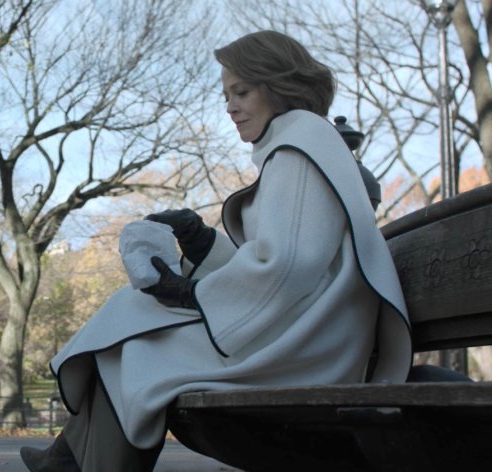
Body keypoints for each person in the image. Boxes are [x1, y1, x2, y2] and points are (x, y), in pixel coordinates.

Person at [20, 30, 412, 472]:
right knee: (129, 327)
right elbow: (279, 263)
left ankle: (70, 462)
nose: (230, 106)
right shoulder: (300, 143)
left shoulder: (300, 142)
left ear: (277, 85)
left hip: (309, 350)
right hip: (308, 334)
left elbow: (288, 269)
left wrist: (191, 295)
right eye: (226, 94)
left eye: (241, 91)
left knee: (133, 343)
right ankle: (69, 460)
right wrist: (202, 244)